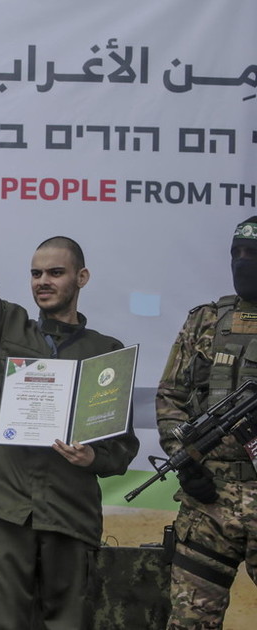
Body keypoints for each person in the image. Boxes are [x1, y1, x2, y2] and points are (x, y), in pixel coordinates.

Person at [0, 148, 139, 629]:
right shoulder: (7, 327)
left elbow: (123, 448)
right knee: (3, 620)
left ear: (81, 277)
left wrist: (93, 458)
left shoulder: (106, 353)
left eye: (55, 272)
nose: (43, 281)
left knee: (69, 622)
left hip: (70, 514)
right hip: (9, 512)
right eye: (36, 273)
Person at [155, 216, 257, 629]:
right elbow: (170, 396)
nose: (243, 262)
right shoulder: (206, 321)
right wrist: (184, 461)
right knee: (189, 621)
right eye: (237, 253)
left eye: (253, 254)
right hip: (209, 501)